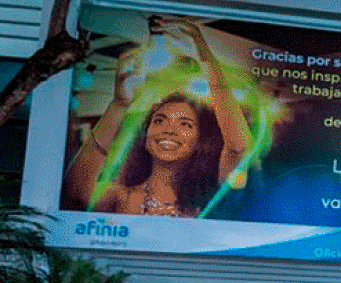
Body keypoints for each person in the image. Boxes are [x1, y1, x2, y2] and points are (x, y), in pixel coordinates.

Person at [63, 16, 253, 217]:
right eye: (160, 121)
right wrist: (119, 105)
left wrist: (204, 56)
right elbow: (75, 191)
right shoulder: (122, 197)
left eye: (185, 124)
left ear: (200, 141)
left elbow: (239, 149)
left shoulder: (212, 199)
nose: (169, 130)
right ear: (145, 137)